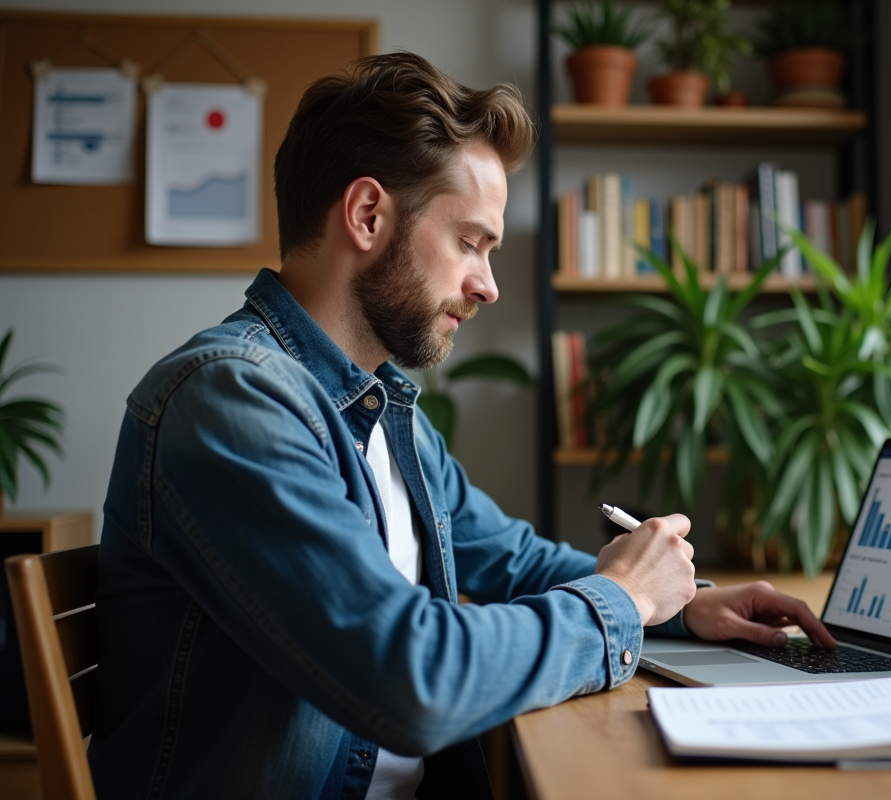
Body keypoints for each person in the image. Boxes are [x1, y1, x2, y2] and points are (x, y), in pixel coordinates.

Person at [88, 52, 835, 800]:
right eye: (471, 242)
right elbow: (409, 679)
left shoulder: (384, 410)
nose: (488, 284)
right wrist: (624, 601)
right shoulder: (230, 400)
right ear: (368, 215)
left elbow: (515, 562)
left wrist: (681, 605)